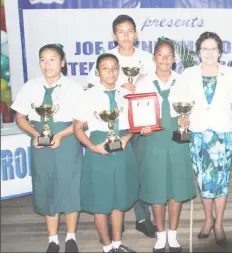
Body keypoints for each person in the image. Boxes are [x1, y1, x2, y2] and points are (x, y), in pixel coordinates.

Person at [87, 14, 157, 238]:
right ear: (113, 35)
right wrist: (121, 85)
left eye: (130, 31)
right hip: (115, 125)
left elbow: (155, 87)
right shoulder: (107, 58)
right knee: (114, 171)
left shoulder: (146, 58)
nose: (126, 36)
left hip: (141, 120)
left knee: (140, 169)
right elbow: (93, 85)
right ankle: (111, 219)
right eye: (121, 32)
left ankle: (142, 217)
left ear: (137, 33)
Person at [169, 31, 232, 247]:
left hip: (221, 134)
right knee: (204, 181)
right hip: (198, 134)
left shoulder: (230, 73)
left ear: (220, 51)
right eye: (205, 48)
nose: (209, 53)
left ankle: (219, 224)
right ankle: (208, 219)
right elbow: (176, 100)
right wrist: (183, 119)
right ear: (198, 52)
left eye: (213, 48)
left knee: (221, 182)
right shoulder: (188, 74)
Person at [11, 44, 83, 253]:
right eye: (43, 59)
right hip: (40, 144)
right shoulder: (30, 87)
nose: (47, 64)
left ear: (62, 63)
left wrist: (61, 134)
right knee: (46, 186)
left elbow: (82, 121)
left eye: (52, 59)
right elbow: (20, 116)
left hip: (67, 140)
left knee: (70, 186)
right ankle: (53, 240)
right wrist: (35, 134)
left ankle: (71, 237)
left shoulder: (74, 88)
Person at [134, 40, 196, 252]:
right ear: (154, 57)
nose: (165, 59)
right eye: (161, 55)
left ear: (174, 59)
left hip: (177, 141)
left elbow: (191, 110)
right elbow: (136, 112)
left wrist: (188, 121)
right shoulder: (143, 83)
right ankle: (160, 235)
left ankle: (173, 234)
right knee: (156, 188)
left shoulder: (182, 81)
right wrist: (142, 126)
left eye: (169, 55)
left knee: (176, 189)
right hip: (153, 142)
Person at [73, 53, 137, 253]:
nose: (110, 72)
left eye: (114, 68)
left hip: (122, 153)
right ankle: (107, 247)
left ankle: (118, 245)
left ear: (119, 70)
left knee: (120, 199)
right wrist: (92, 147)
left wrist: (126, 139)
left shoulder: (123, 95)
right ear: (97, 71)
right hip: (98, 152)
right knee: (101, 202)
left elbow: (132, 126)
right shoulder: (88, 96)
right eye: (105, 68)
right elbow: (77, 128)